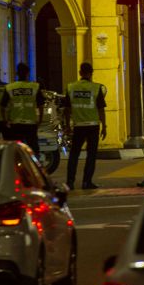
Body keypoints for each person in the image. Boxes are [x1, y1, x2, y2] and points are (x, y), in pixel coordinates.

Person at [62, 62, 107, 190]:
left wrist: (67, 125)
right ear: (91, 73)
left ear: (80, 73)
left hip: (78, 126)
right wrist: (104, 126)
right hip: (93, 126)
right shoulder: (96, 88)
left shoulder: (71, 87)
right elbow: (101, 110)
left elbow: (66, 109)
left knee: (74, 154)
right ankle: (87, 182)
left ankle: (70, 182)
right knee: (91, 155)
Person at [1, 62, 45, 157]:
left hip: (15, 124)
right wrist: (40, 120)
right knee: (34, 150)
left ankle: (17, 170)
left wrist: (6, 120)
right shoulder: (35, 87)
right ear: (27, 73)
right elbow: (41, 105)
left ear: (17, 73)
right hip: (31, 124)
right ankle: (34, 170)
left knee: (16, 151)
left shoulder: (10, 87)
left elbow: (2, 106)